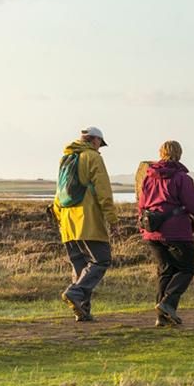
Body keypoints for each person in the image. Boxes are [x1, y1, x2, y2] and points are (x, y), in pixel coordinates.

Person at [137, 140, 194, 327]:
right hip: (177, 232)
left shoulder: (148, 177)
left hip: (153, 231)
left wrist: (143, 228)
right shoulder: (182, 178)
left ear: (160, 153)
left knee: (165, 272)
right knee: (187, 268)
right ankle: (167, 304)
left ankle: (162, 317)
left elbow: (141, 206)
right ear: (179, 154)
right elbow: (193, 205)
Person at [53, 126, 118, 322]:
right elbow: (103, 190)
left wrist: (59, 218)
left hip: (67, 221)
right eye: (100, 144)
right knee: (101, 259)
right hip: (87, 219)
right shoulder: (93, 157)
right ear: (95, 141)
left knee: (80, 265)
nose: (100, 148)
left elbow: (59, 191)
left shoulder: (66, 158)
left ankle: (82, 309)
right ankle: (76, 293)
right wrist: (112, 219)